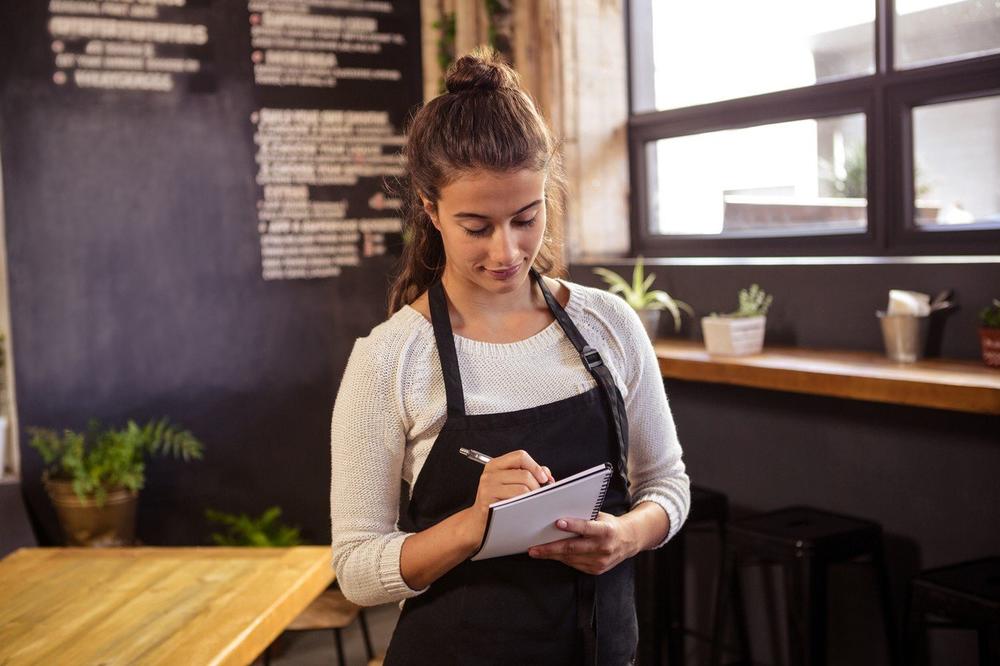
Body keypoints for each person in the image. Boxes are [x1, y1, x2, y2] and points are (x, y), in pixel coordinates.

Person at [330, 47, 690, 666]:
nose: (507, 249)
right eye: (477, 226)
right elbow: (356, 571)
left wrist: (626, 537)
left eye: (527, 218)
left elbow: (667, 483)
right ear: (429, 210)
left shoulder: (608, 325)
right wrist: (475, 523)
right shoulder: (390, 359)